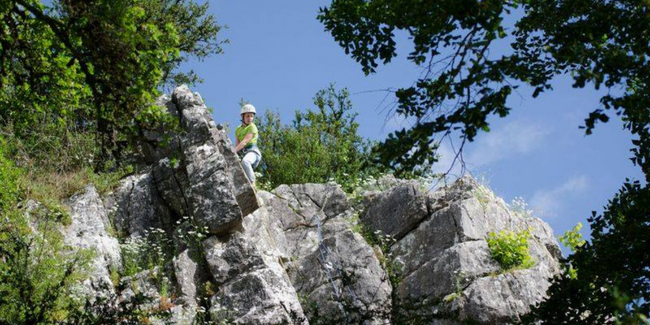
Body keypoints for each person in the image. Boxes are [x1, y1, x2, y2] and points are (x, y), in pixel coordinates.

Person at [234, 103, 262, 185]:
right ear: (242, 117)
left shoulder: (252, 127)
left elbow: (245, 142)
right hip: (243, 152)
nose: (250, 118)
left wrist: (233, 151)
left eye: (251, 116)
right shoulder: (238, 129)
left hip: (253, 152)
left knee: (245, 162)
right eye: (247, 116)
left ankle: (253, 183)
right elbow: (237, 143)